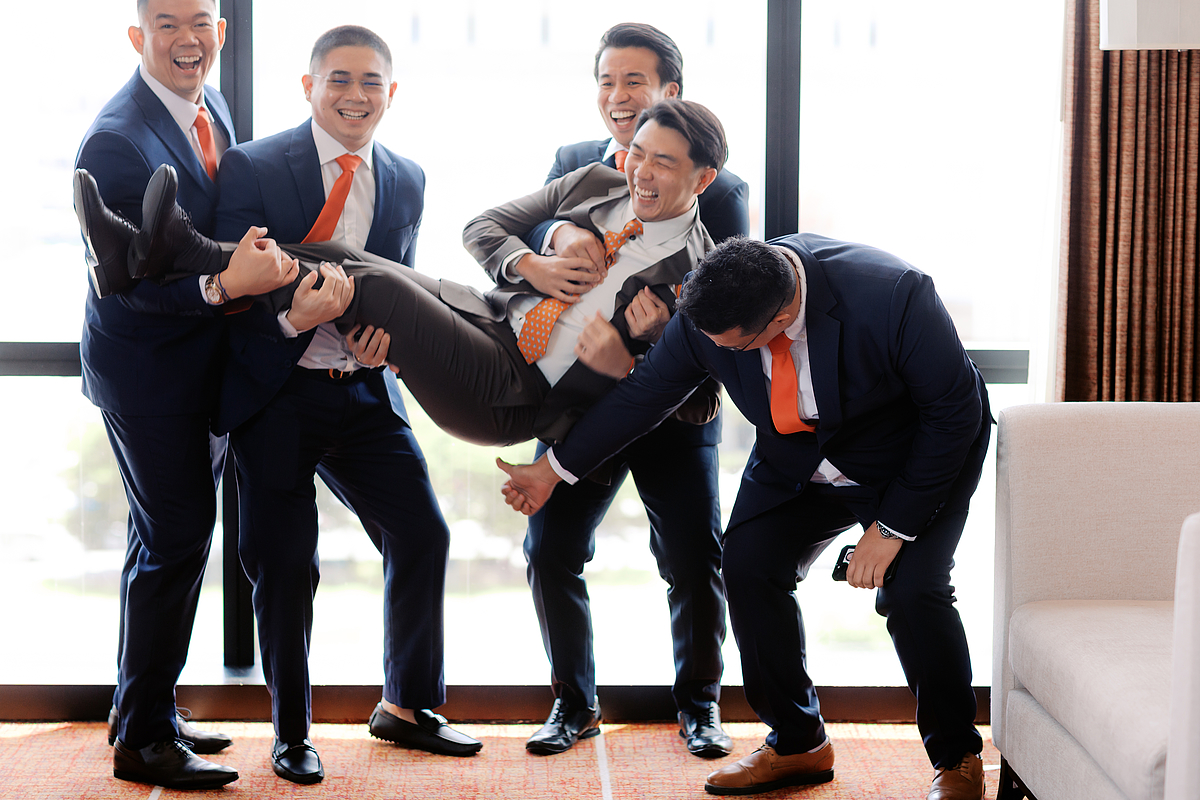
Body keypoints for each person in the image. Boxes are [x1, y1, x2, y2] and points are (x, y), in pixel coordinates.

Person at [496, 236, 993, 800]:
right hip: (796, 457)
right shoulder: (707, 307)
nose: (711, 351)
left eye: (728, 345)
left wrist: (892, 528)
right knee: (747, 565)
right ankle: (798, 743)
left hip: (912, 457)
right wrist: (552, 471)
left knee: (913, 591)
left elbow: (954, 413)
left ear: (779, 318)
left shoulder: (894, 294)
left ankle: (958, 759)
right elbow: (645, 395)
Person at [79, 99, 724, 452]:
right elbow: (483, 228)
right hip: (489, 317)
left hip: (517, 395)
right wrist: (537, 255)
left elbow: (702, 407)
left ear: (703, 179)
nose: (639, 172)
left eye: (662, 164)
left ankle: (178, 252)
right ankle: (165, 250)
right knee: (341, 251)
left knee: (376, 288)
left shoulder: (700, 275)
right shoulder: (598, 183)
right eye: (637, 153)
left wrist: (631, 364)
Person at [211, 25, 478, 785]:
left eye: (370, 83)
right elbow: (228, 297)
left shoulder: (407, 178)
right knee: (286, 564)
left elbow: (401, 284)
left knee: (423, 533)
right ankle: (291, 733)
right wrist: (293, 321)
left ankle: (406, 707)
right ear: (309, 86)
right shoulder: (253, 166)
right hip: (276, 392)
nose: (355, 96)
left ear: (390, 94)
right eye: (339, 79)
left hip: (363, 391)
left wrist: (384, 343)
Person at [74, 0, 295, 790]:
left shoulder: (213, 104)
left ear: (220, 32)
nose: (187, 38)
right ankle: (142, 742)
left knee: (158, 542)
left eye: (199, 21)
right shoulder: (115, 139)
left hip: (197, 367)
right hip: (147, 373)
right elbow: (131, 287)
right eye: (166, 23)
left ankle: (143, 708)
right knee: (176, 539)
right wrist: (223, 285)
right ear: (139, 36)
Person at [511, 22, 747, 758]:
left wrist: (661, 333)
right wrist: (556, 239)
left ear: (669, 92)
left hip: (674, 409)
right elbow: (535, 227)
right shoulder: (574, 162)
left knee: (693, 557)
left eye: (633, 82)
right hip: (584, 405)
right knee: (549, 547)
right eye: (606, 81)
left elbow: (733, 302)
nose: (617, 96)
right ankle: (573, 703)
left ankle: (701, 707)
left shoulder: (722, 189)